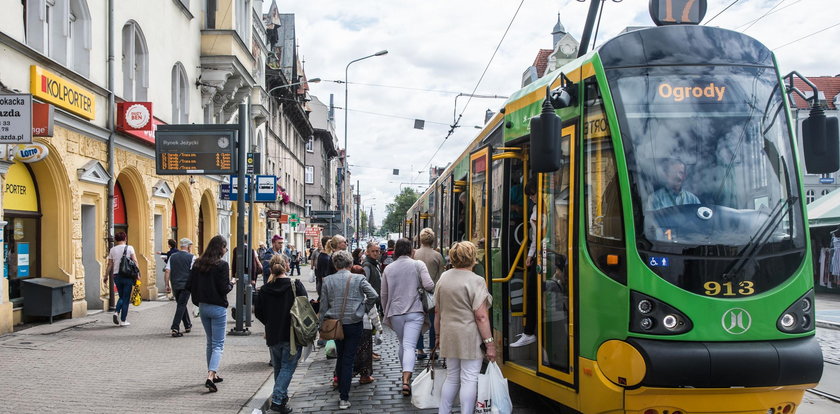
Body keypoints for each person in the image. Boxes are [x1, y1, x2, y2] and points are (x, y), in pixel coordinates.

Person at [434, 241, 495, 414]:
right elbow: (481, 316)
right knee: (469, 379)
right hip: (469, 337)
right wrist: (489, 344)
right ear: (472, 258)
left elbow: (437, 311)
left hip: (448, 335)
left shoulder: (443, 278)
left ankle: (443, 412)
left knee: (452, 378)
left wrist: (438, 336)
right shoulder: (476, 280)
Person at [319, 250, 378, 410]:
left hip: (335, 323)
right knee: (348, 358)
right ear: (350, 264)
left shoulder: (328, 281)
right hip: (354, 322)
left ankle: (340, 384)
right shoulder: (358, 278)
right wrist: (363, 309)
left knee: (341, 355)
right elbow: (373, 295)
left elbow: (323, 305)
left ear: (335, 264)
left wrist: (320, 325)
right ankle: (344, 397)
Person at [254, 254, 309, 414]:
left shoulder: (264, 289)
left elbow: (258, 312)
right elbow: (305, 306)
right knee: (287, 367)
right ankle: (277, 401)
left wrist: (269, 323)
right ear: (287, 266)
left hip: (273, 334)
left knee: (279, 368)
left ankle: (282, 400)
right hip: (292, 334)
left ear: (271, 269)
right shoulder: (295, 285)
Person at [381, 238, 435, 396]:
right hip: (415, 311)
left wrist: (386, 312)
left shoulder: (389, 269)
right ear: (411, 250)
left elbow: (383, 295)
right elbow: (429, 285)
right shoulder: (418, 265)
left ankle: (404, 373)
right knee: (410, 345)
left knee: (402, 344)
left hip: (395, 312)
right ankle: (406, 379)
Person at [186, 235, 233, 392]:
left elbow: (189, 284)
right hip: (218, 308)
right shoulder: (222, 265)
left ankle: (213, 374)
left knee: (210, 342)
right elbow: (224, 289)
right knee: (218, 344)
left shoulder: (198, 263)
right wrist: (232, 283)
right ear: (220, 248)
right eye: (225, 247)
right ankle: (210, 376)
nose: (226, 250)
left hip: (203, 307)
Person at [513, 181, 539, 347]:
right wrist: (530, 254)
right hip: (539, 254)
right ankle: (528, 331)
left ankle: (529, 332)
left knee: (532, 292)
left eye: (532, 193)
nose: (531, 197)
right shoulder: (537, 208)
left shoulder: (546, 208)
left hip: (544, 255)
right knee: (531, 292)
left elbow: (540, 235)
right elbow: (536, 236)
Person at [414, 228, 444, 360]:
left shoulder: (414, 254)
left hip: (417, 293)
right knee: (434, 322)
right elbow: (441, 277)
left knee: (418, 321)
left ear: (421, 239)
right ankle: (433, 348)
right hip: (433, 293)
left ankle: (419, 349)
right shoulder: (437, 256)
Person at [349, 265, 378, 385]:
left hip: (347, 322)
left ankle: (339, 377)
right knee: (365, 352)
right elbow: (373, 308)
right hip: (364, 323)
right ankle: (364, 376)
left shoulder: (346, 285)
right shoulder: (363, 286)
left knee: (347, 352)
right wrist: (379, 328)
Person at [104, 231, 139, 327]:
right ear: (125, 238)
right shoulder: (130, 248)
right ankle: (123, 320)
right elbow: (135, 261)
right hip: (128, 275)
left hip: (116, 276)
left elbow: (110, 264)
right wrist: (137, 274)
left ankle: (116, 312)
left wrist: (106, 276)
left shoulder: (112, 250)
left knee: (121, 296)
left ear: (116, 239)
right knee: (126, 298)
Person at [165, 238, 196, 337]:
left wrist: (167, 284)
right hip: (186, 285)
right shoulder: (192, 257)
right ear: (188, 246)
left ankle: (187, 325)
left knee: (181, 304)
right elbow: (194, 273)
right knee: (181, 305)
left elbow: (167, 271)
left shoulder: (172, 257)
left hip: (175, 285)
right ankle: (175, 327)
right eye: (190, 246)